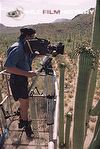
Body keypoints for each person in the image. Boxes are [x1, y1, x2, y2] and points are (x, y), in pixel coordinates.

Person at [4, 27, 38, 138]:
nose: (34, 39)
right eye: (33, 37)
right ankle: (26, 126)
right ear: (27, 37)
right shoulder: (18, 48)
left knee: (24, 103)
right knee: (25, 104)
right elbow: (9, 67)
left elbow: (29, 57)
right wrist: (27, 73)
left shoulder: (25, 47)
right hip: (18, 81)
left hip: (22, 79)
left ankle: (21, 118)